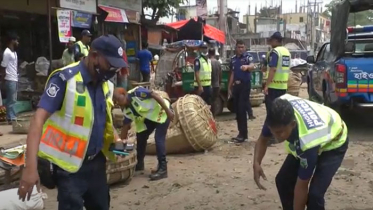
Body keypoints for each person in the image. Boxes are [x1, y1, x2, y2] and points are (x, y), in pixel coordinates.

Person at [17, 35, 128, 210]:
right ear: (94, 56)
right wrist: (30, 168)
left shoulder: (104, 83)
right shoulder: (64, 80)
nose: (112, 70)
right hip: (69, 170)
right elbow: (37, 120)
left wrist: (117, 142)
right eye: (110, 64)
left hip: (97, 165)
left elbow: (101, 119)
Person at [253, 94, 348, 210]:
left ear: (292, 124)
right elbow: (263, 139)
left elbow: (302, 185)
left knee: (315, 195)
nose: (276, 137)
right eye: (273, 132)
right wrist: (256, 163)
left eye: (279, 132)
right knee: (283, 180)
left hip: (334, 141)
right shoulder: (277, 115)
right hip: (314, 127)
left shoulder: (308, 141)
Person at [116, 86, 174, 181]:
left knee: (158, 138)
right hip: (152, 117)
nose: (118, 102)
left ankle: (163, 169)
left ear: (124, 94)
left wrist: (168, 112)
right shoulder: (126, 109)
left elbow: (154, 95)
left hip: (163, 112)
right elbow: (125, 129)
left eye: (118, 99)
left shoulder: (136, 92)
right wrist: (119, 149)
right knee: (141, 136)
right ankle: (139, 163)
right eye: (116, 101)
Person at [263, 32, 291, 145]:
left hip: (273, 87)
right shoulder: (286, 52)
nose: (270, 43)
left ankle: (271, 136)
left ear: (275, 41)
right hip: (283, 86)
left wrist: (267, 85)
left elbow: (273, 69)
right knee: (280, 112)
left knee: (271, 113)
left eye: (271, 41)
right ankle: (281, 134)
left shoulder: (275, 52)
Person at [228, 40, 255, 143]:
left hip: (245, 85)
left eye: (242, 47)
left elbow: (252, 66)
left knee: (242, 109)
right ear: (236, 48)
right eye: (239, 47)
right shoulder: (233, 59)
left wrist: (247, 67)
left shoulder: (248, 57)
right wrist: (229, 88)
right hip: (236, 86)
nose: (240, 49)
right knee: (237, 111)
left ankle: (243, 134)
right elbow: (232, 74)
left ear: (245, 48)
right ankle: (241, 133)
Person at [1, 33, 19, 124]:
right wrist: (3, 78)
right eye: (16, 40)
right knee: (11, 100)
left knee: (13, 99)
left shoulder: (14, 52)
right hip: (9, 78)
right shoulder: (7, 52)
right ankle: (11, 118)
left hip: (14, 78)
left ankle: (12, 116)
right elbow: (3, 65)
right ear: (12, 41)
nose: (17, 42)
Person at [209, 48, 222, 116]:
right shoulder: (218, 62)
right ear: (214, 53)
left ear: (208, 54)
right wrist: (219, 83)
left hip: (209, 85)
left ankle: (210, 115)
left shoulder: (208, 62)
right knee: (214, 101)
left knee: (209, 101)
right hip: (216, 85)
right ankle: (213, 116)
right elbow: (220, 74)